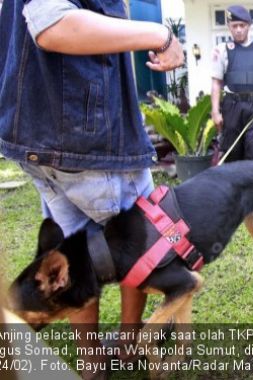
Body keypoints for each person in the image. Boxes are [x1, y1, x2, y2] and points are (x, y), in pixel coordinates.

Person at [0, 0, 184, 379]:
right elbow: (50, 22)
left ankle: (91, 360)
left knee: (72, 251)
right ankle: (129, 343)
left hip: (37, 137)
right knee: (136, 241)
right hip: (88, 138)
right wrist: (160, 35)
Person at [211, 5, 253, 162]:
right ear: (229, 27)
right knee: (232, 152)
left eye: (242, 25)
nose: (238, 30)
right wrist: (215, 111)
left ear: (249, 26)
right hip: (232, 107)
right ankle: (235, 186)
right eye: (234, 26)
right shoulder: (222, 50)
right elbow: (216, 82)